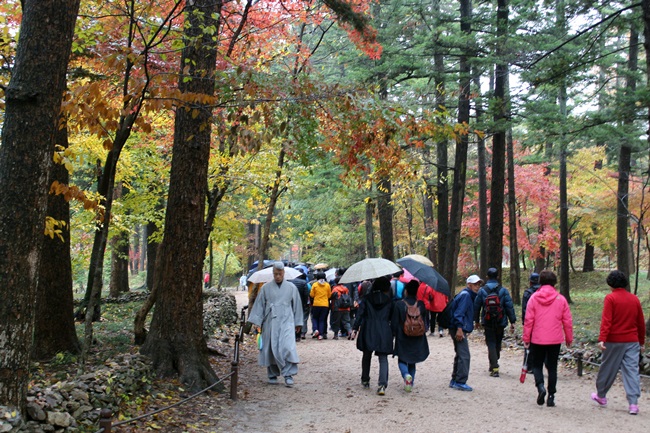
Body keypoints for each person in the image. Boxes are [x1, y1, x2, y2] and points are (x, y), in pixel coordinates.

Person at [591, 270, 646, 415]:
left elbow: (607, 320)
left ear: (610, 283)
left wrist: (602, 338)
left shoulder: (611, 298)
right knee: (632, 371)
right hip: (632, 341)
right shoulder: (634, 299)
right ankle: (633, 403)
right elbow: (640, 322)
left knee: (608, 368)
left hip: (614, 340)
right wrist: (641, 342)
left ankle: (601, 396)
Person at [246, 262, 303, 387]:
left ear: (283, 273)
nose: (277, 276)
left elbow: (297, 305)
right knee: (271, 347)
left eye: (280, 274)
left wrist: (298, 322)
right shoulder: (265, 288)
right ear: (273, 273)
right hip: (270, 320)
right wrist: (257, 322)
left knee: (288, 347)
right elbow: (260, 305)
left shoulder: (292, 288)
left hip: (287, 320)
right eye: (275, 274)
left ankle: (288, 374)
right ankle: (272, 374)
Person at [522, 270, 573, 407]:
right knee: (552, 367)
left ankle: (540, 387)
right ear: (554, 282)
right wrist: (569, 338)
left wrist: (526, 337)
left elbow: (528, 320)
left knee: (537, 365)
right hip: (555, 339)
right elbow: (567, 321)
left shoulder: (534, 298)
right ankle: (551, 395)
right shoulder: (560, 299)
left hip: (537, 338)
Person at [350, 276, 394, 396]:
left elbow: (360, 314)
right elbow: (392, 317)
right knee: (383, 358)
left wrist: (355, 328)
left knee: (367, 354)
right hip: (384, 329)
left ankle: (365, 379)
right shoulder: (389, 300)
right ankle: (382, 384)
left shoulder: (367, 298)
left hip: (368, 328)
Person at [473, 267, 516, 377]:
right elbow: (509, 306)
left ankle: (494, 365)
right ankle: (495, 361)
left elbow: (477, 307)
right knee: (497, 342)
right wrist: (512, 321)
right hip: (500, 321)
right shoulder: (503, 290)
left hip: (487, 321)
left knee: (490, 343)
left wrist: (476, 320)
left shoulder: (482, 290)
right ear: (498, 276)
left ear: (487, 277)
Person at [391, 280, 429, 392]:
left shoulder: (399, 304)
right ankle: (410, 383)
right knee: (413, 360)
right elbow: (426, 320)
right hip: (418, 336)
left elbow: (394, 323)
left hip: (403, 336)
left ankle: (406, 375)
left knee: (402, 359)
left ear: (406, 291)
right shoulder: (421, 304)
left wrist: (393, 335)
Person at [449, 274, 482, 392]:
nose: (477, 287)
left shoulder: (467, 295)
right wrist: (459, 328)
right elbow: (459, 313)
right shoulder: (466, 296)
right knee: (465, 355)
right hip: (459, 329)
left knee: (460, 354)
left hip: (458, 328)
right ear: (469, 285)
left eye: (479, 284)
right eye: (475, 284)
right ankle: (460, 381)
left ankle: (455, 380)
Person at [521, 272, 541, 371]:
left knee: (528, 343)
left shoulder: (527, 293)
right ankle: (538, 365)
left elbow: (524, 309)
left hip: (530, 321)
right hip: (541, 322)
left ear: (530, 282)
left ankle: (529, 365)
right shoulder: (543, 293)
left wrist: (524, 323)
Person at [288, 272, 310, 341]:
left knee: (291, 318)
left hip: (291, 302)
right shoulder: (304, 282)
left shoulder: (290, 282)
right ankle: (299, 335)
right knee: (300, 318)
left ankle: (292, 334)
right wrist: (306, 303)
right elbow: (306, 294)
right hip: (301, 302)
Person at [309, 272, 331, 340]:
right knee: (322, 320)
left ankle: (315, 330)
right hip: (325, 304)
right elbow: (329, 295)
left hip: (316, 304)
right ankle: (321, 335)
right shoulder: (327, 285)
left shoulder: (315, 285)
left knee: (315, 318)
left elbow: (312, 295)